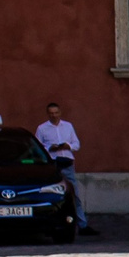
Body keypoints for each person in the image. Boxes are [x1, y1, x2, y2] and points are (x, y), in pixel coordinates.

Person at [34, 100, 98, 236]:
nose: (54, 115)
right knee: (53, 194)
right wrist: (50, 148)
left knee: (75, 194)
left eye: (56, 113)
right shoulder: (42, 128)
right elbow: (37, 147)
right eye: (51, 113)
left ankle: (82, 225)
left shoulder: (68, 126)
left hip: (67, 163)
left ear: (60, 113)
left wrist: (67, 146)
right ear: (47, 114)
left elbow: (76, 144)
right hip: (53, 164)